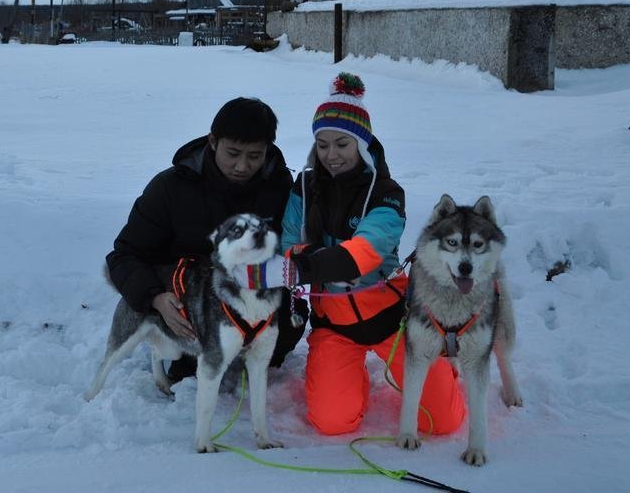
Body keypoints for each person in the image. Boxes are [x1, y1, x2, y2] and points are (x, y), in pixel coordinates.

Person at [244, 73, 465, 436]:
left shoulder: (387, 193)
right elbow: (285, 245)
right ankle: (349, 375)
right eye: (323, 144)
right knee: (332, 423)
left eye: (342, 144)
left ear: (361, 145)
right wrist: (302, 257)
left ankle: (441, 369)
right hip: (335, 327)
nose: (331, 155)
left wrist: (307, 263)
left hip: (395, 321)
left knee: (442, 423)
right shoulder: (303, 187)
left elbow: (365, 253)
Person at [106, 97, 308, 381]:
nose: (242, 166)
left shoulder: (279, 186)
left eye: (254, 156)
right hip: (186, 295)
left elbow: (290, 249)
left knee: (287, 320)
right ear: (213, 141)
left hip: (249, 289)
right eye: (233, 153)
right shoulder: (171, 187)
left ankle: (248, 353)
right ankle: (186, 356)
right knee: (191, 350)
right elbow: (124, 255)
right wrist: (155, 299)